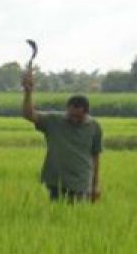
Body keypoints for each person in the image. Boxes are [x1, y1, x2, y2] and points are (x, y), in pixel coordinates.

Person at [21, 73, 102, 202]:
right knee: (58, 216)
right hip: (56, 181)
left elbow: (96, 156)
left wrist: (95, 185)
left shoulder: (94, 127)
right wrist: (28, 92)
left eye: (78, 117)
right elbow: (29, 114)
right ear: (66, 109)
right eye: (71, 116)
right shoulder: (54, 121)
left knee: (78, 217)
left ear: (86, 113)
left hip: (81, 182)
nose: (74, 120)